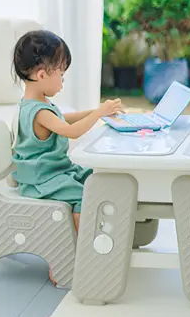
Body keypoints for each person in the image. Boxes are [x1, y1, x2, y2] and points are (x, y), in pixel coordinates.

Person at [11, 30, 124, 281]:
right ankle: (72, 253)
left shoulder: (38, 105)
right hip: (42, 181)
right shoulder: (38, 112)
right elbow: (71, 131)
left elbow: (65, 119)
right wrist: (98, 114)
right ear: (42, 75)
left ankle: (99, 239)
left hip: (56, 172)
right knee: (86, 195)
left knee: (97, 179)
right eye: (61, 74)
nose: (62, 81)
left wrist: (99, 111)